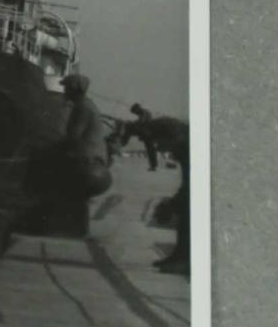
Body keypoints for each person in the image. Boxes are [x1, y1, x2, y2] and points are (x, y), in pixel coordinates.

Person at [22, 73, 112, 236]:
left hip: (89, 169)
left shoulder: (82, 108)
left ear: (74, 90)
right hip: (96, 169)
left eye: (66, 87)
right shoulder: (88, 105)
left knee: (45, 165)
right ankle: (66, 223)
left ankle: (49, 220)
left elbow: (72, 138)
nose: (64, 91)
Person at [122, 115, 189, 273]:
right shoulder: (184, 147)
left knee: (188, 211)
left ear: (171, 137)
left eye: (160, 142)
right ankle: (179, 257)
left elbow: (193, 188)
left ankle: (185, 260)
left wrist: (174, 203)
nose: (158, 148)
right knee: (183, 208)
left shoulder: (190, 150)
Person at [129, 102, 158, 170]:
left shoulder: (144, 113)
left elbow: (142, 121)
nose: (135, 114)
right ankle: (153, 165)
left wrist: (134, 123)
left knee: (151, 150)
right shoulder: (143, 113)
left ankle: (153, 165)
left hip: (149, 134)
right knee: (150, 150)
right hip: (147, 134)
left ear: (137, 109)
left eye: (135, 112)